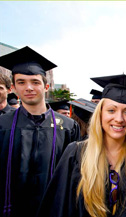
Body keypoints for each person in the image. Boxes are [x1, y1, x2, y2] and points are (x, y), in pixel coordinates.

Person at [37, 74, 126, 217]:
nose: (119, 119)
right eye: (111, 110)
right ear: (100, 114)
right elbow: (58, 206)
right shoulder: (76, 153)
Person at [0, 46, 81, 217]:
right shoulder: (2, 124)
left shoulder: (68, 127)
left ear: (46, 86)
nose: (28, 88)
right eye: (21, 82)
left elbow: (75, 176)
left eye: (35, 82)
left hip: (56, 210)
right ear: (13, 87)